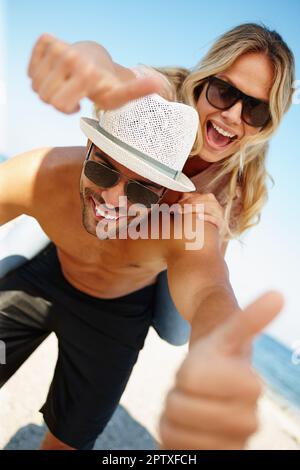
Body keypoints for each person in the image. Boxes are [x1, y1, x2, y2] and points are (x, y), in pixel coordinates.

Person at [0, 22, 293, 450]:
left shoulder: (220, 196)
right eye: (225, 92)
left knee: (177, 325)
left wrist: (220, 350)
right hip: (62, 255)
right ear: (202, 80)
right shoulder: (159, 99)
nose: (232, 114)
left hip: (129, 297)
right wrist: (86, 59)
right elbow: (116, 76)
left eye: (255, 109)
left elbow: (208, 284)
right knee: (45, 231)